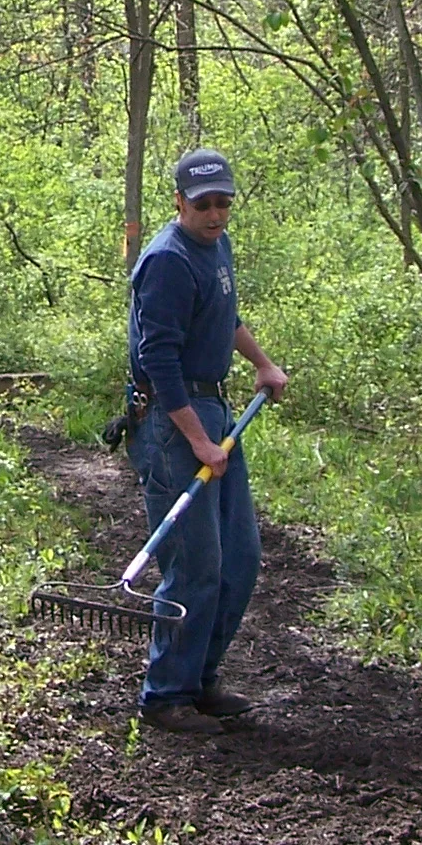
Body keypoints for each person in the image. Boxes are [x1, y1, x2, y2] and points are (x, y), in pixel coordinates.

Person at [124, 150, 289, 735]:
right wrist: (198, 439)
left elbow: (225, 316)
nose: (215, 214)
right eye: (203, 205)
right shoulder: (165, 262)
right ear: (179, 202)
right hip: (173, 421)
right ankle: (164, 695)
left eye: (223, 203)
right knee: (195, 565)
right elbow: (157, 359)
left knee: (240, 560)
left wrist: (263, 365)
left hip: (216, 411)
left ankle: (201, 679)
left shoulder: (216, 247)